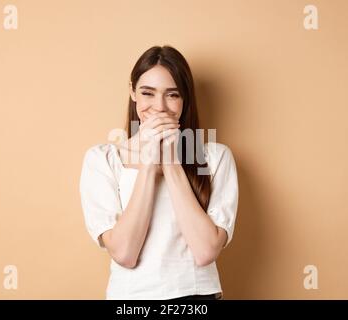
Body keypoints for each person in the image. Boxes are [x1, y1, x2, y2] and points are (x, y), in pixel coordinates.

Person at [79, 45, 239, 300]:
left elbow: (206, 251)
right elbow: (124, 254)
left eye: (172, 95)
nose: (160, 106)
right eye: (148, 93)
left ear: (185, 99)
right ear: (133, 92)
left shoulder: (215, 157)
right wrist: (149, 162)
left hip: (197, 298)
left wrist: (172, 163)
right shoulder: (103, 159)